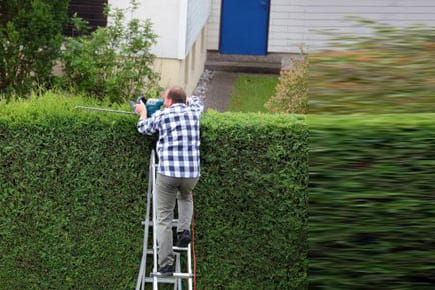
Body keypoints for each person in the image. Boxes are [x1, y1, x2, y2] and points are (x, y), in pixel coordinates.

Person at [135, 86, 204, 275]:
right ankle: (183, 231)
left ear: (170, 100)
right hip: (191, 174)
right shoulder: (194, 112)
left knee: (164, 217)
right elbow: (197, 101)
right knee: (186, 196)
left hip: (168, 173)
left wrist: (142, 112)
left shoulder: (162, 115)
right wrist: (183, 98)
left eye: (165, 99)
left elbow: (143, 128)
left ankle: (165, 264)